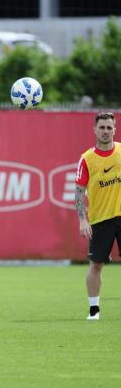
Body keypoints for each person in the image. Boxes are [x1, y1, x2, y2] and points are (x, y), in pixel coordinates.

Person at [75, 112, 121, 320]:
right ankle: (94, 309)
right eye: (101, 127)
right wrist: (83, 219)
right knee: (96, 265)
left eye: (109, 127)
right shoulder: (87, 159)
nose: (105, 131)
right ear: (95, 130)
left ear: (115, 129)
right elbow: (78, 192)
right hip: (101, 219)